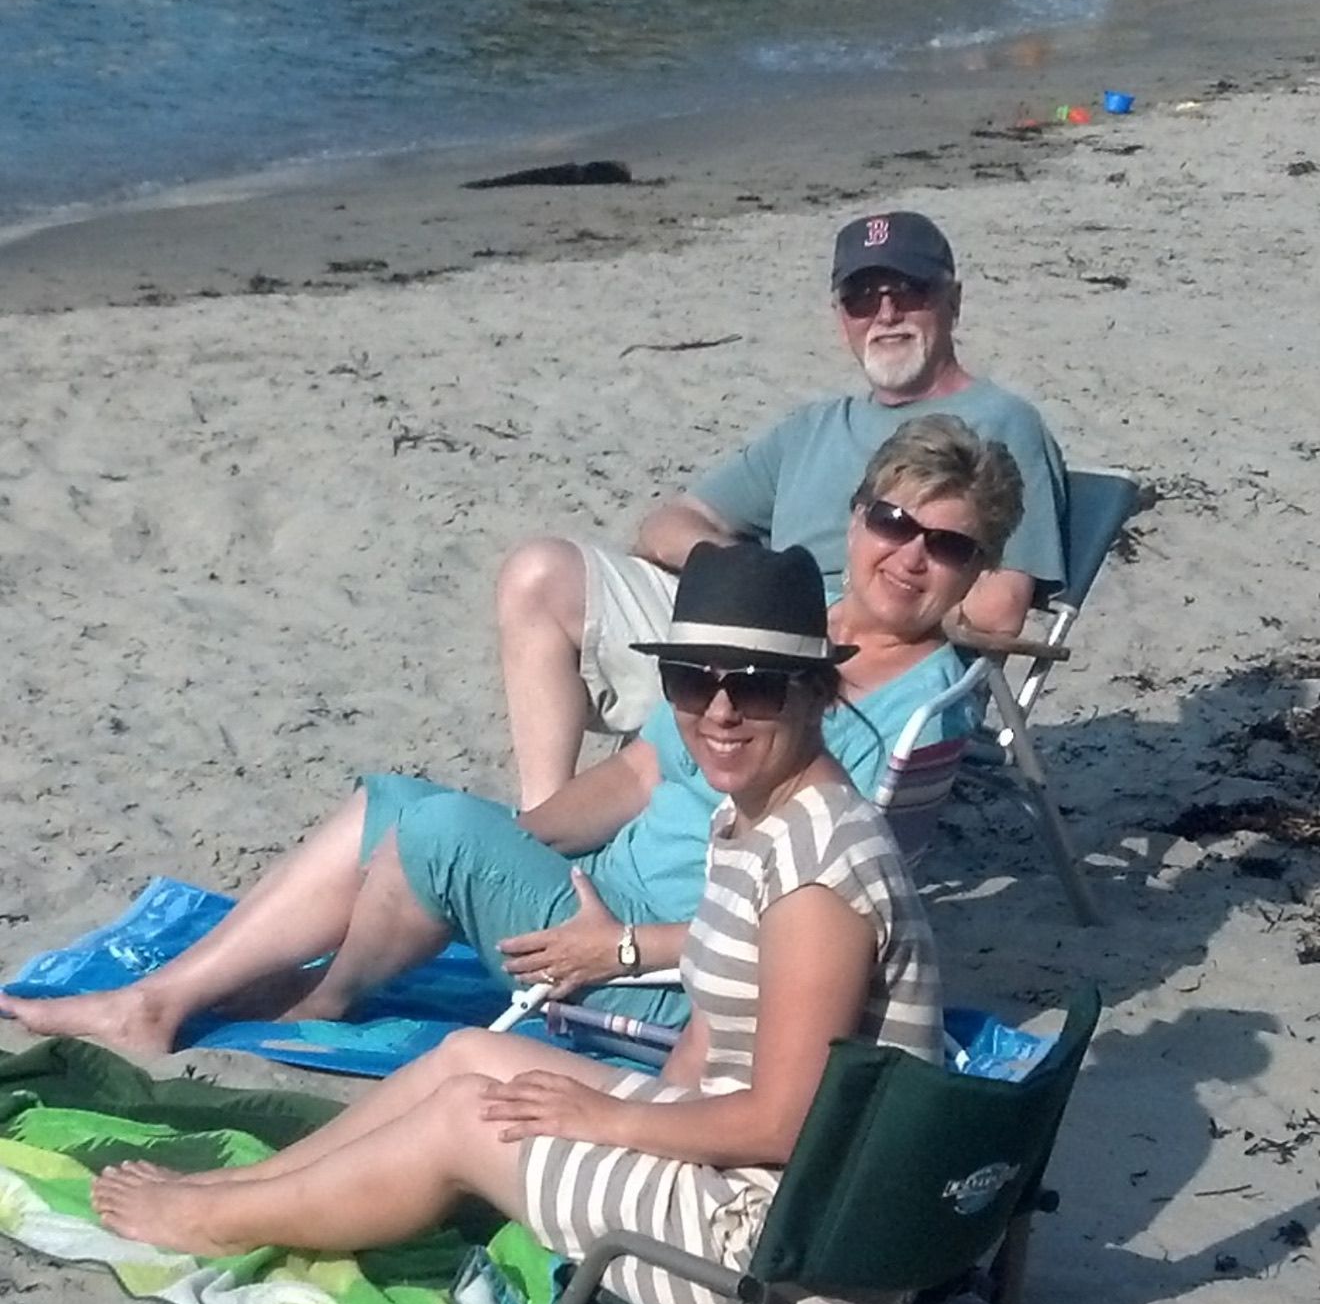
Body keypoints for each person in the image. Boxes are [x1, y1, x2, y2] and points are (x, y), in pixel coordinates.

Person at [89, 542, 943, 1304]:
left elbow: (787, 1123)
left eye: (754, 686)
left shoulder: (815, 874)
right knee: (466, 1057)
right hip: (764, 1193)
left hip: (793, 1280)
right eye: (691, 679)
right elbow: (709, 1047)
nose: (718, 712)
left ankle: (220, 1221)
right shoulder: (754, 819)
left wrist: (608, 1120)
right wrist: (626, 1123)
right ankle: (245, 1188)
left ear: (817, 691)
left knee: (469, 1120)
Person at [0, 417, 1021, 1058]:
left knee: (439, 834)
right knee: (403, 806)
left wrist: (618, 942)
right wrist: (516, 842)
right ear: (857, 519)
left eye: (947, 544)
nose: (909, 555)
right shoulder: (787, 626)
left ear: (978, 569)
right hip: (604, 897)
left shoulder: (922, 706)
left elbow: (829, 917)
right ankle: (176, 994)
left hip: (668, 976)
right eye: (895, 522)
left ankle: (316, 999)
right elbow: (637, 771)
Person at [497, 210, 1066, 808]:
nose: (886, 314)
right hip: (740, 617)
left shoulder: (1000, 426)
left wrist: (849, 610)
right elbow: (666, 524)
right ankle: (545, 817)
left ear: (953, 300)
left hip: (855, 653)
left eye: (908, 292)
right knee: (539, 574)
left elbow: (999, 609)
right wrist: (748, 580)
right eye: (862, 299)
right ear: (841, 317)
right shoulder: (813, 427)